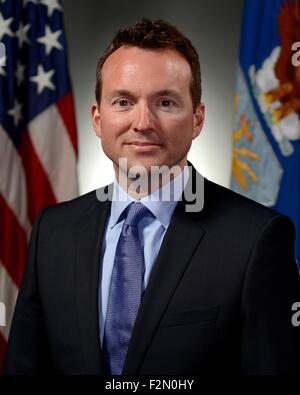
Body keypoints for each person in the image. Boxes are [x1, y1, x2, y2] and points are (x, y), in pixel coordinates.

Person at [4, 18, 300, 375]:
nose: (142, 122)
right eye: (123, 101)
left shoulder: (257, 238)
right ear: (98, 119)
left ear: (197, 119)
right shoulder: (53, 232)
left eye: (165, 102)